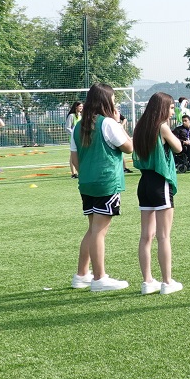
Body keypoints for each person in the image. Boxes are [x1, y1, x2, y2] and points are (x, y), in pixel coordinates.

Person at [70, 83, 135, 292]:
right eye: (113, 99)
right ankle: (99, 278)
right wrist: (119, 123)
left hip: (86, 182)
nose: (115, 103)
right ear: (106, 100)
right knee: (99, 231)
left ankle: (82, 275)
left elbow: (74, 159)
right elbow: (129, 147)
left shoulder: (79, 126)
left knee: (92, 229)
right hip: (106, 182)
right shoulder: (108, 123)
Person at [131, 93, 184, 295]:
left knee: (146, 236)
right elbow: (178, 148)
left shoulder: (140, 126)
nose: (172, 111)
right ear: (162, 108)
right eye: (170, 107)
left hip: (144, 183)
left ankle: (147, 282)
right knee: (163, 236)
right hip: (160, 182)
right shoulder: (162, 126)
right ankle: (167, 282)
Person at [66, 101, 83, 178]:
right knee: (73, 155)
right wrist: (74, 134)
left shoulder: (81, 115)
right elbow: (67, 128)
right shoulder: (71, 116)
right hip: (73, 138)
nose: (81, 108)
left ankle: (79, 171)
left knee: (79, 155)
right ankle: (73, 173)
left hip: (80, 138)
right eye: (80, 106)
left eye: (82, 106)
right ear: (76, 107)